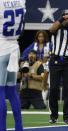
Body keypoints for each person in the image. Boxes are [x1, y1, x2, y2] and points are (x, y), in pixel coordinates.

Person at [0, 0, 26, 131]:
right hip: (14, 47)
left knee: (0, 91)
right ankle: (19, 128)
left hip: (1, 46)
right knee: (11, 91)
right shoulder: (21, 2)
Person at [48, 9, 68, 124]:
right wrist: (63, 18)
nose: (67, 19)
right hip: (56, 60)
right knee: (53, 88)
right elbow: (51, 29)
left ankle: (67, 116)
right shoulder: (56, 27)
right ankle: (53, 115)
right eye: (65, 17)